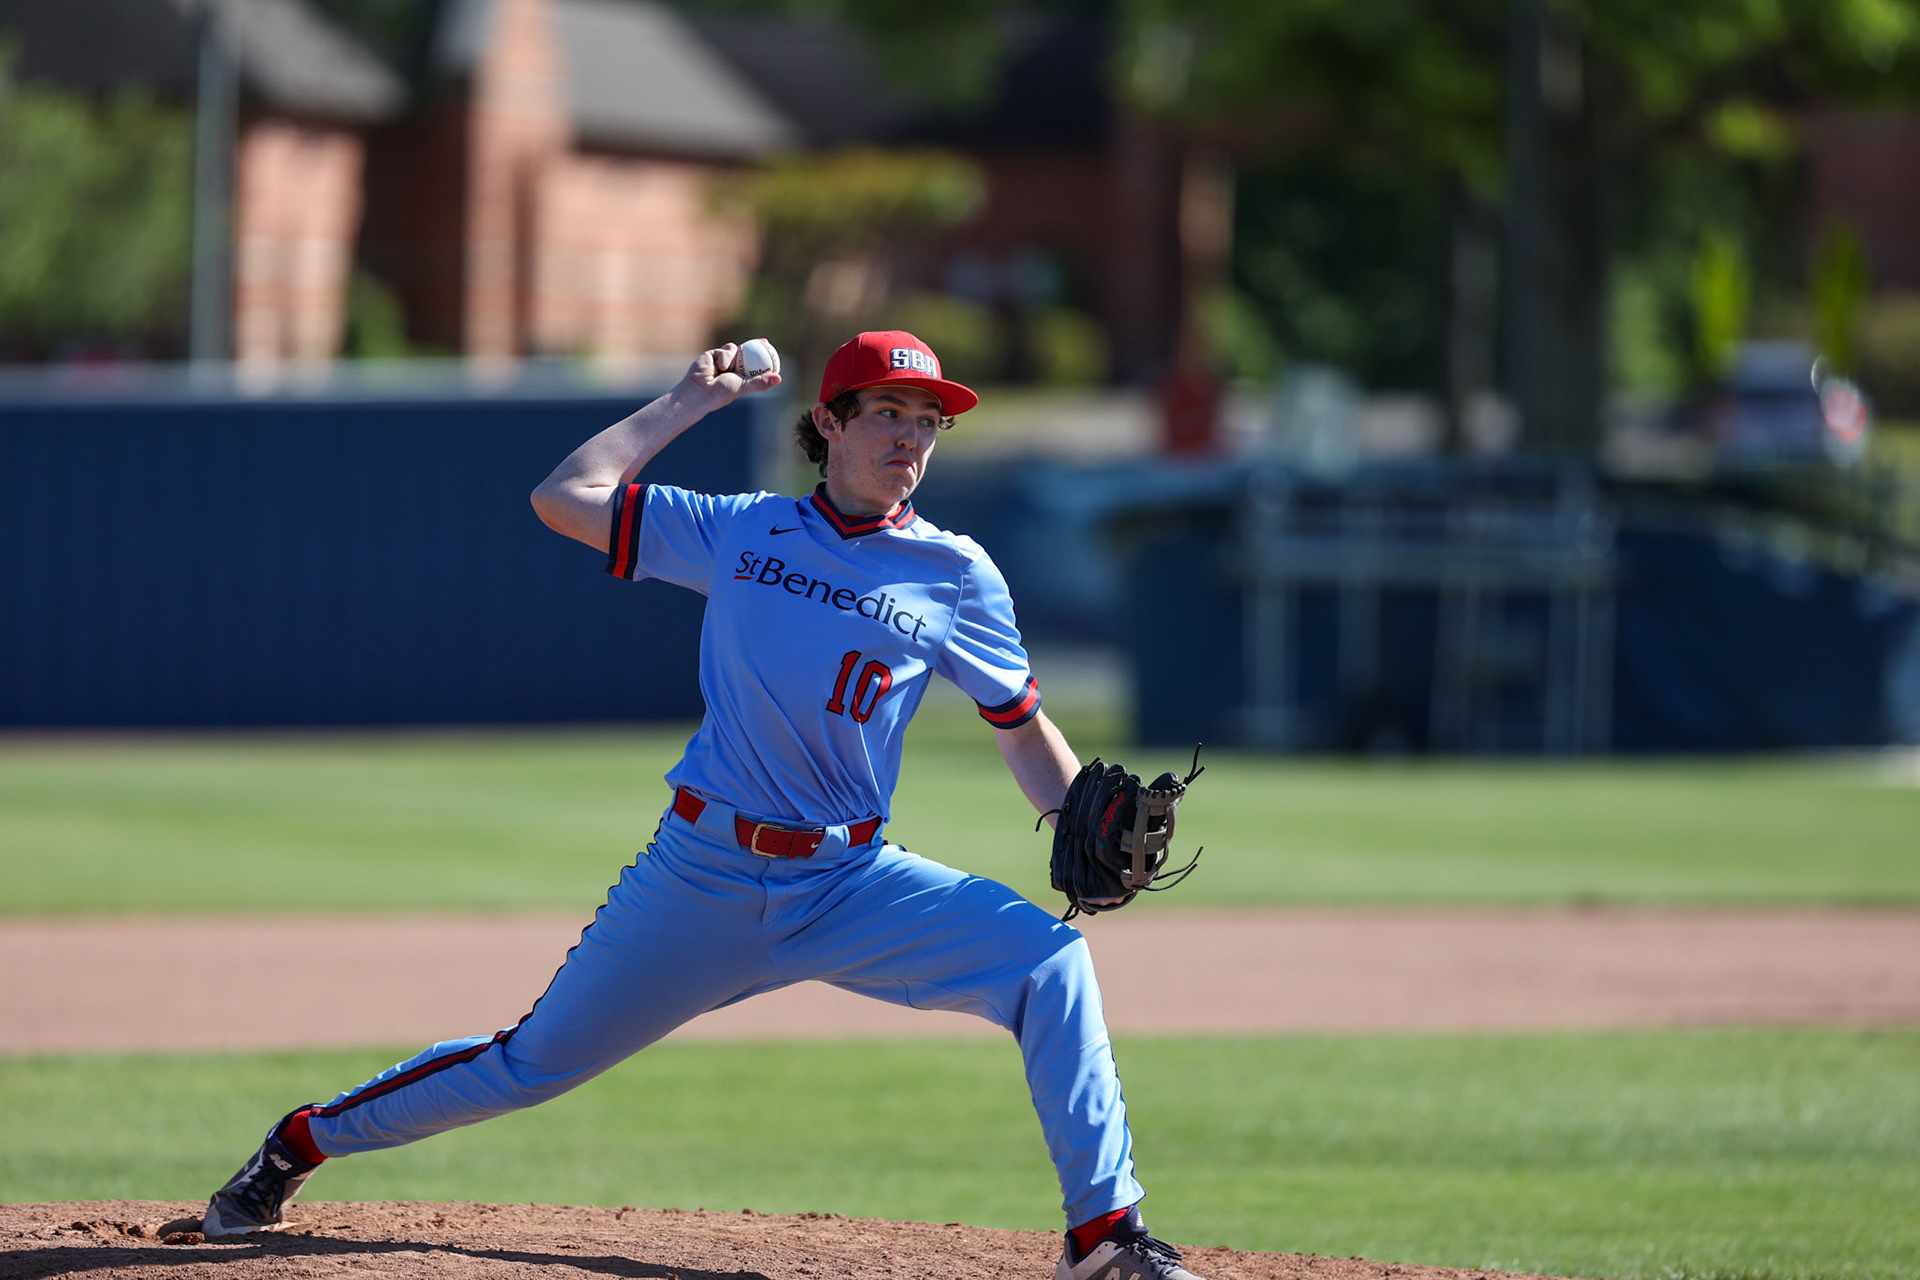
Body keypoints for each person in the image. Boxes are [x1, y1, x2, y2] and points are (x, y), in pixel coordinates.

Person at [202, 330, 1207, 1280]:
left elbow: (1019, 723)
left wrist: (1079, 810)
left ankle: (1105, 1233)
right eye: (889, 411)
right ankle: (300, 1141)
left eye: (929, 419)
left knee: (1052, 963)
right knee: (525, 1064)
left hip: (849, 879)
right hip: (702, 877)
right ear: (830, 422)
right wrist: (692, 398)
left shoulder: (956, 573)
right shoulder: (739, 529)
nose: (910, 435)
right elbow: (567, 495)